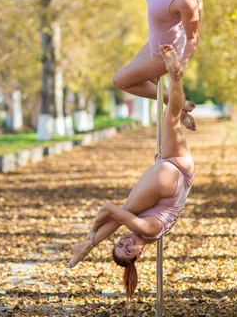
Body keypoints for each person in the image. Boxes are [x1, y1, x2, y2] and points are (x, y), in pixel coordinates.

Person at [67, 44, 195, 299]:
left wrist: (91, 239)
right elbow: (108, 209)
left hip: (178, 172)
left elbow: (116, 217)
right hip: (169, 178)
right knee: (169, 117)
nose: (125, 243)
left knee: (161, 109)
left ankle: (178, 101)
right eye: (128, 250)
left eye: (120, 244)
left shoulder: (143, 233)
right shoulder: (147, 231)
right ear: (140, 254)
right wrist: (91, 234)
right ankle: (176, 75)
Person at [113, 0, 202, 131]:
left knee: (120, 81)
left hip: (165, 54)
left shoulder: (185, 0)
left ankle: (179, 103)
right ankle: (181, 110)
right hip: (153, 43)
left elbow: (193, 38)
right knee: (146, 83)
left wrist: (180, 65)